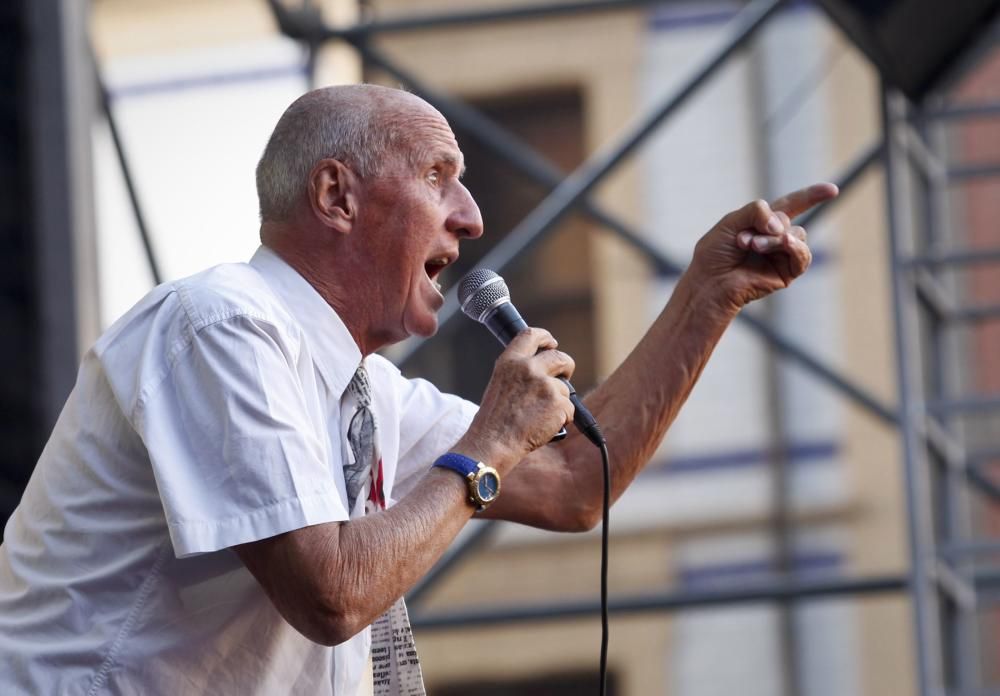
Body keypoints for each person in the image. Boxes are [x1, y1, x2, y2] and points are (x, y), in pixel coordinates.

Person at [0, 84, 837, 695]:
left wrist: (707, 293)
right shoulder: (222, 326)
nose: (471, 217)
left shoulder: (367, 394)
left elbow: (582, 480)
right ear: (336, 195)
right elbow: (331, 595)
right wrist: (490, 445)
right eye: (440, 176)